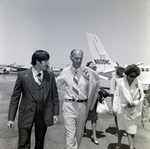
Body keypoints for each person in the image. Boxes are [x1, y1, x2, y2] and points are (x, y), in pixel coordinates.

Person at [7, 50, 59, 149]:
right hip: (26, 114)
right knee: (23, 144)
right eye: (46, 61)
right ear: (38, 61)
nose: (48, 63)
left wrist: (55, 113)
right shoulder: (22, 75)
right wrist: (10, 118)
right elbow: (15, 98)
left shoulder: (50, 75)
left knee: (40, 143)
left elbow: (54, 95)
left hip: (43, 115)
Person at [56, 49, 100, 149]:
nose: (79, 60)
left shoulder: (88, 72)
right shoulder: (65, 72)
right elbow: (55, 86)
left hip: (82, 106)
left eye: (81, 58)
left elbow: (95, 86)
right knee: (70, 135)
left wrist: (89, 80)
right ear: (71, 58)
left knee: (79, 135)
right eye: (76, 58)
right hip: (69, 105)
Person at [113, 64, 145, 149]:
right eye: (131, 76)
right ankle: (119, 143)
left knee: (131, 130)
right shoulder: (120, 82)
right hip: (122, 109)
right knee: (121, 128)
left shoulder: (139, 82)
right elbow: (116, 95)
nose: (133, 78)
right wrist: (114, 109)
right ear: (127, 74)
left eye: (135, 76)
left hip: (133, 110)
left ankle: (131, 147)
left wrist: (135, 102)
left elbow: (142, 96)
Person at [110, 65, 127, 136]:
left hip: (124, 99)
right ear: (117, 70)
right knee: (117, 116)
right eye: (120, 69)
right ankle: (118, 130)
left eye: (123, 69)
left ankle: (123, 130)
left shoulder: (125, 78)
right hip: (116, 99)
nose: (122, 71)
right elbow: (112, 91)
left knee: (124, 116)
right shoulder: (114, 78)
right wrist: (114, 103)